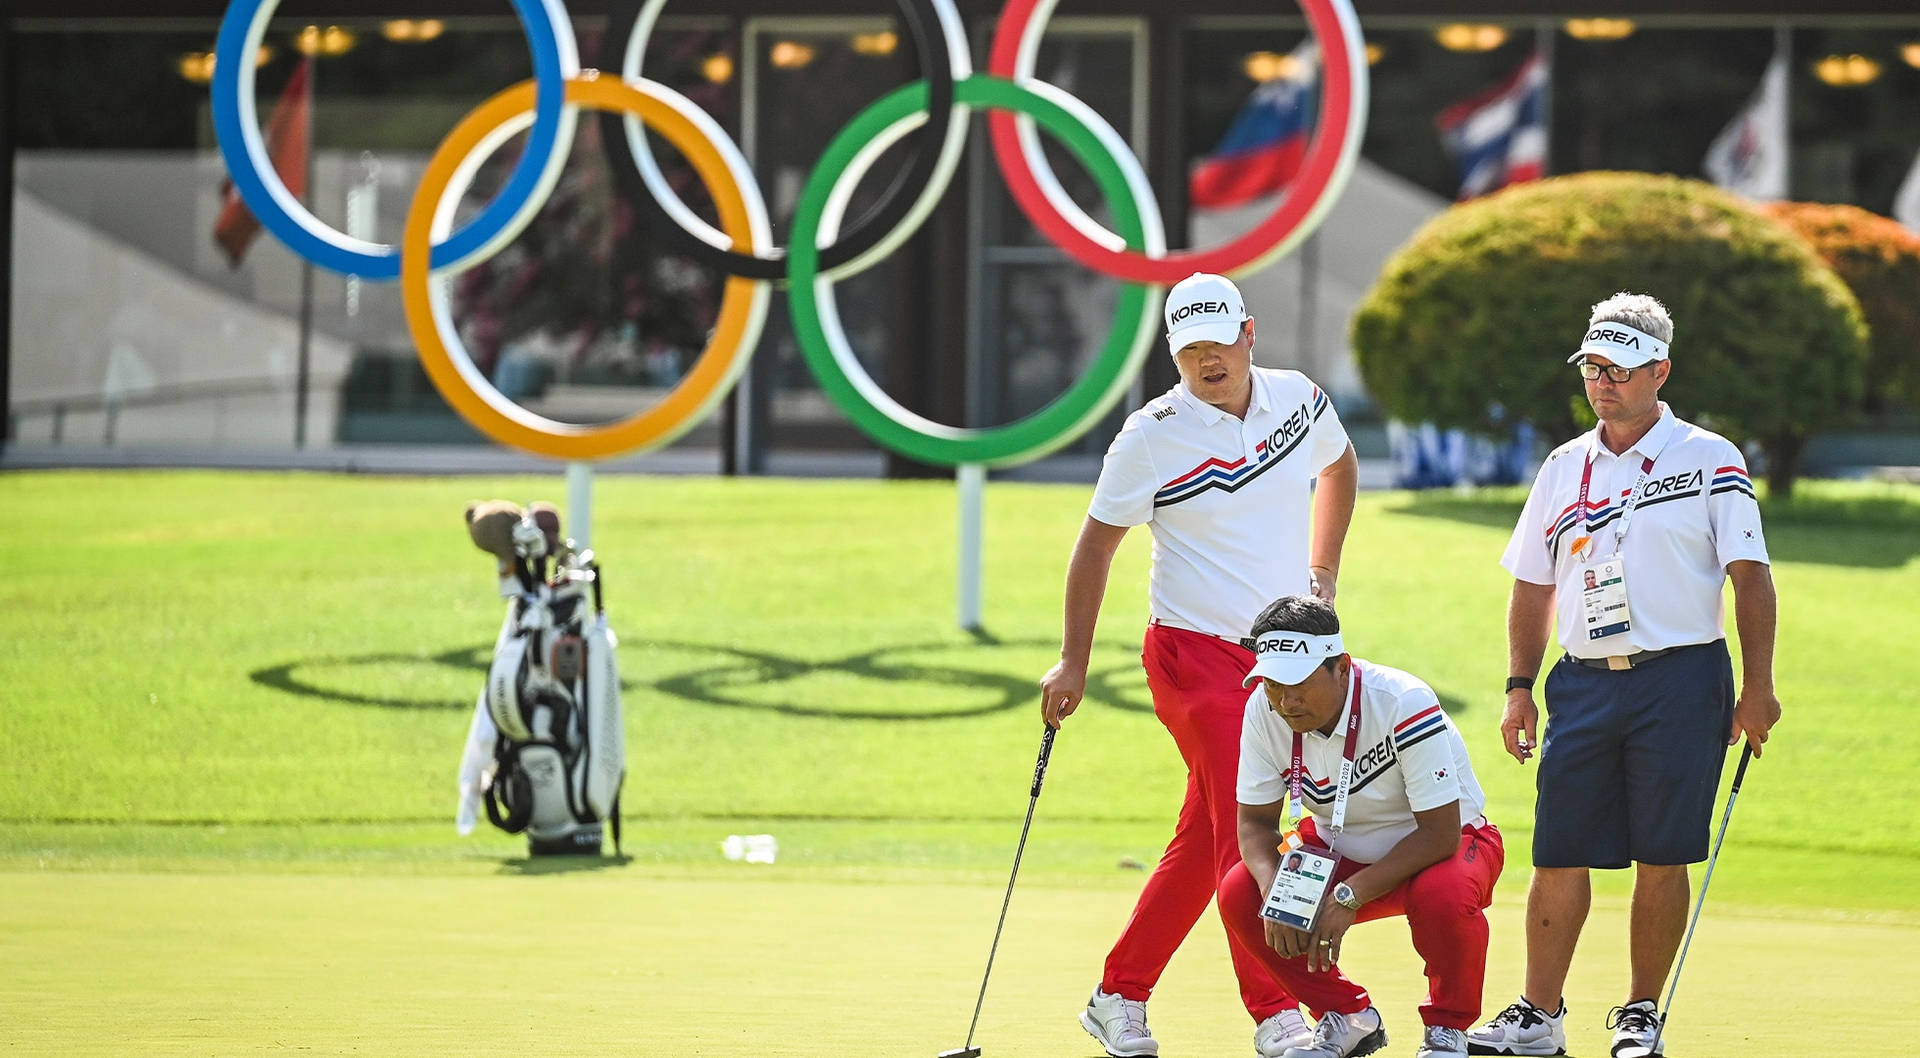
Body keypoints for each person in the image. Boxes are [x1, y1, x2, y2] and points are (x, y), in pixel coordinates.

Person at [1040, 271, 1359, 1058]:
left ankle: (1118, 994)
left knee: (1205, 833)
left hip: (1282, 659)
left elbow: (1341, 465)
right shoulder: (1150, 436)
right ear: (1174, 355)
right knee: (1247, 832)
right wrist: (1071, 662)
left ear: (1248, 333)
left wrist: (1325, 570)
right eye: (1190, 351)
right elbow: (1094, 550)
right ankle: (1277, 1012)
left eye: (1219, 343)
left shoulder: (1299, 399)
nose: (1208, 361)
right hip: (1191, 656)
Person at [1466, 293, 1780, 1058]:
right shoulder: (1562, 466)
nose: (1603, 382)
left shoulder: (1711, 457)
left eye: (1620, 369)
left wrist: (1758, 687)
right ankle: (1539, 1015)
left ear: (1660, 371)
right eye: (1594, 368)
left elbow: (1751, 576)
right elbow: (1533, 585)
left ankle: (1640, 1013)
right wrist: (1518, 685)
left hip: (1680, 678)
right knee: (1558, 849)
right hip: (1581, 681)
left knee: (1662, 851)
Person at [1217, 595, 1504, 1058]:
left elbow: (1440, 833)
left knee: (1442, 895)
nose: (1286, 700)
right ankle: (1349, 1017)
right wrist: (1277, 894)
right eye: (1273, 684)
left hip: (1448, 847)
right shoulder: (1263, 709)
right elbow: (1253, 824)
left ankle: (1447, 1029)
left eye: (1299, 683)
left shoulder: (1402, 700)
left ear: (1341, 666)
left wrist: (1351, 895)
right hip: (1341, 847)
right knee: (1242, 893)